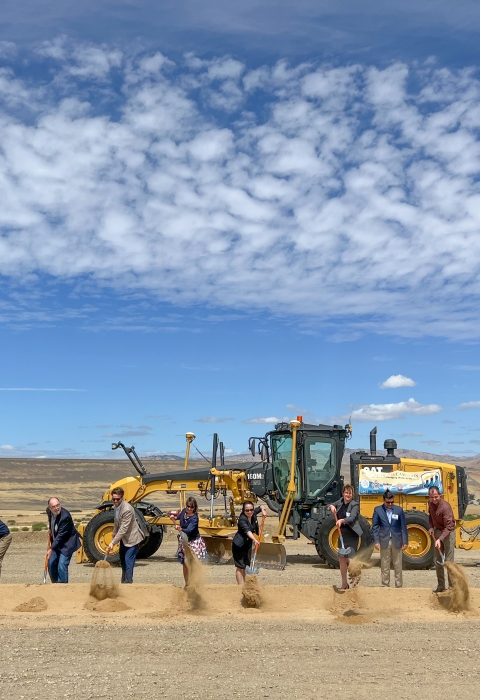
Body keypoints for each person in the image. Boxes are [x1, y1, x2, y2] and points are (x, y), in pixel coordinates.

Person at [106, 487, 144, 583]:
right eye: (113, 499)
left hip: (132, 540)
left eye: (117, 499)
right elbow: (116, 521)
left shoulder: (127, 509)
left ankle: (128, 584)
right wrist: (114, 532)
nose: (115, 501)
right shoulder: (116, 507)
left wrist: (113, 543)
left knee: (128, 562)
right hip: (124, 540)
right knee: (122, 561)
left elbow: (123, 528)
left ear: (122, 498)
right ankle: (124, 582)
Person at [328, 484, 362, 589]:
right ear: (343, 493)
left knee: (351, 560)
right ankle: (344, 583)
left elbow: (352, 518)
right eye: (346, 493)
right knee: (342, 559)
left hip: (352, 534)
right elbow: (331, 505)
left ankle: (355, 581)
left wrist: (342, 520)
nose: (348, 495)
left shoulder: (355, 504)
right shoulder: (340, 502)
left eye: (350, 493)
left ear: (352, 494)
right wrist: (331, 506)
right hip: (342, 534)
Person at [372, 490, 408, 588]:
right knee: (384, 564)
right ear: (383, 500)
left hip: (397, 540)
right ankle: (385, 585)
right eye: (388, 502)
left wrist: (405, 541)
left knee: (397, 564)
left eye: (392, 502)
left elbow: (403, 527)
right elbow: (375, 527)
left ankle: (398, 586)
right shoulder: (378, 510)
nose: (390, 504)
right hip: (384, 540)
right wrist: (376, 541)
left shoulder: (399, 510)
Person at [169, 497, 207, 585]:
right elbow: (179, 516)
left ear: (194, 508)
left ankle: (195, 583)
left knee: (193, 564)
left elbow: (189, 530)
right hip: (184, 542)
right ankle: (187, 584)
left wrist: (180, 529)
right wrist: (173, 517)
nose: (189, 509)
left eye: (191, 507)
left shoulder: (194, 518)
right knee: (185, 564)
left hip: (194, 542)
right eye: (188, 506)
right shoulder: (183, 512)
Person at [46, 497, 81, 583]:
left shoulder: (65, 517)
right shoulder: (49, 511)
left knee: (62, 564)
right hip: (57, 543)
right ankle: (56, 584)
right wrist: (50, 528)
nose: (56, 508)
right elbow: (51, 519)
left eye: (58, 505)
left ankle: (63, 587)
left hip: (67, 543)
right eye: (53, 506)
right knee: (51, 564)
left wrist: (51, 549)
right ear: (50, 508)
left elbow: (60, 536)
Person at [232, 500, 267, 585]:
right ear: (243, 511)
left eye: (251, 509)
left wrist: (263, 510)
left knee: (246, 566)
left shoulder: (253, 514)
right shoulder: (242, 520)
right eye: (247, 510)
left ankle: (246, 584)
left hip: (247, 544)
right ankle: (240, 586)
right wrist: (255, 540)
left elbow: (261, 506)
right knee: (240, 567)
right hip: (239, 545)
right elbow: (247, 531)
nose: (249, 511)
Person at [428, 485, 455, 593]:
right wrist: (431, 527)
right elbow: (430, 516)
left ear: (440, 495)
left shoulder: (445, 508)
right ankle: (441, 586)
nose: (434, 499)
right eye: (432, 497)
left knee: (448, 562)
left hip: (448, 534)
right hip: (438, 532)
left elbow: (449, 527)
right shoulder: (430, 504)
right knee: (438, 561)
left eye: (436, 497)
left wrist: (440, 539)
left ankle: (452, 588)